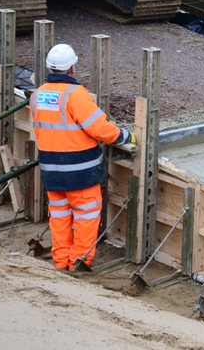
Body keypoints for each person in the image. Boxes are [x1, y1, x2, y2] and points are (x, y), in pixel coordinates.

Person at [30, 44, 137, 271]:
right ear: (72, 68)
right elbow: (100, 129)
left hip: (52, 172)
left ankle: (61, 263)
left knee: (59, 218)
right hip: (80, 172)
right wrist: (126, 136)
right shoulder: (75, 94)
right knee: (86, 219)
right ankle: (78, 263)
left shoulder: (38, 94)